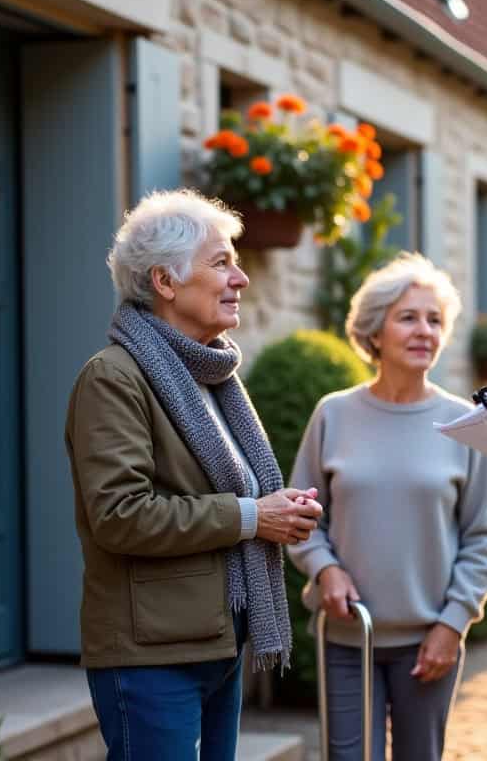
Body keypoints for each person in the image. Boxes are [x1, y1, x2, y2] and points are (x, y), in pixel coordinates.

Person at [65, 189, 323, 761]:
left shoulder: (213, 375)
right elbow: (120, 516)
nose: (241, 278)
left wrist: (277, 510)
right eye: (221, 262)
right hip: (150, 655)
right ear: (164, 282)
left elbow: (222, 497)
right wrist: (255, 517)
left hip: (217, 640)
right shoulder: (113, 379)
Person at [287, 253, 487, 761]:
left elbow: (482, 539)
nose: (424, 330)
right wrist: (324, 570)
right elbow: (300, 517)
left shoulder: (464, 423)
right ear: (374, 332)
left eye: (434, 320)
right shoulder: (333, 414)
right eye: (408, 317)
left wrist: (453, 624)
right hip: (346, 639)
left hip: (428, 642)